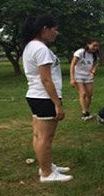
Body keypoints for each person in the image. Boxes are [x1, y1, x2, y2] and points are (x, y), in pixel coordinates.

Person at [21, 14, 71, 182]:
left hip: (35, 95)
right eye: (55, 30)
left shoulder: (31, 46)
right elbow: (46, 79)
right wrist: (57, 104)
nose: (56, 33)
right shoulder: (41, 49)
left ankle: (46, 166)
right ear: (45, 29)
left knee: (38, 135)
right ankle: (47, 173)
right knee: (45, 137)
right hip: (44, 98)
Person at [70, 38, 99, 120]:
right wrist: (72, 78)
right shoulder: (80, 52)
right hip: (78, 75)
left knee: (89, 95)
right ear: (88, 44)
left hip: (88, 76)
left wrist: (93, 70)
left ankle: (86, 110)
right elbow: (72, 65)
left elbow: (95, 64)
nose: (95, 48)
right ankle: (84, 113)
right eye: (94, 45)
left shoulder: (94, 54)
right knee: (83, 93)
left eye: (97, 46)